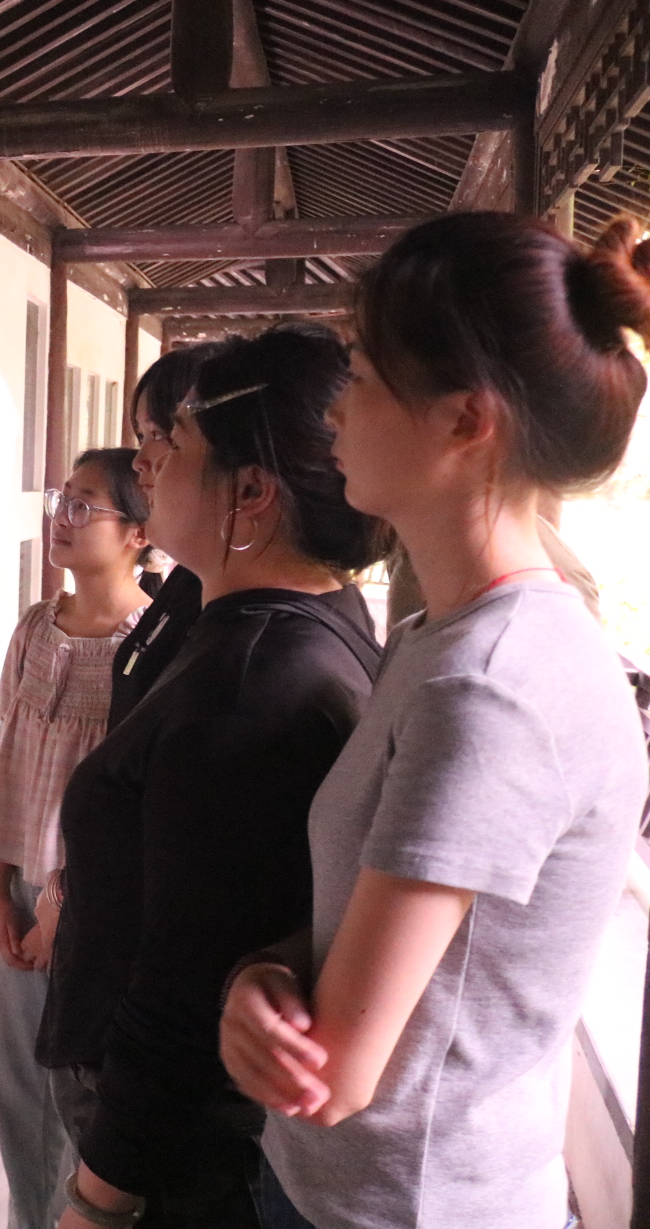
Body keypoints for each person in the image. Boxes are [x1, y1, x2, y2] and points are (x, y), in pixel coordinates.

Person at [222, 213, 650, 1229]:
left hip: (404, 1205)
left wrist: (250, 997)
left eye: (364, 375)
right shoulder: (446, 635)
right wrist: (267, 969)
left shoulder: (490, 690)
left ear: (466, 420)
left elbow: (336, 1074)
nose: (335, 410)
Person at [36, 324, 389, 1229]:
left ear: (252, 493)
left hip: (177, 1158)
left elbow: (184, 991)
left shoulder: (247, 694)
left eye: (176, 442)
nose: (147, 465)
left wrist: (97, 1202)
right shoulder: (290, 620)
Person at [0, 447, 152, 1229]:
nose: (64, 517)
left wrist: (64, 902)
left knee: (73, 1093)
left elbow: (133, 811)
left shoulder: (148, 646)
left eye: (87, 506)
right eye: (62, 499)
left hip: (93, 906)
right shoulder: (34, 629)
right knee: (15, 1087)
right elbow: (12, 760)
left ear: (138, 533)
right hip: (22, 892)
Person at [107, 344, 222, 728]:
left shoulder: (262, 647)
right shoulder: (192, 586)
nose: (139, 461)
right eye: (141, 435)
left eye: (159, 434)